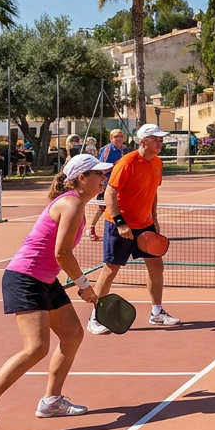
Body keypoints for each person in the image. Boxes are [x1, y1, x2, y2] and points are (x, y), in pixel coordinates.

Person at [0, 154, 112, 430]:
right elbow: (62, 253)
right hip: (24, 278)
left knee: (72, 334)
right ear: (82, 178)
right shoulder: (72, 203)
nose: (103, 178)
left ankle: (51, 401)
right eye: (98, 174)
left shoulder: (75, 203)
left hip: (43, 279)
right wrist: (84, 286)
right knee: (37, 348)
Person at [86, 123, 180, 334]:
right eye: (156, 139)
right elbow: (110, 193)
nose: (160, 142)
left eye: (161, 138)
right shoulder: (126, 162)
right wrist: (120, 223)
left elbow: (153, 192)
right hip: (119, 224)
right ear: (143, 141)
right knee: (111, 270)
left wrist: (154, 219)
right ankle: (95, 317)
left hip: (144, 225)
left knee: (156, 265)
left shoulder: (157, 163)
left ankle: (157, 312)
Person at [88, 129, 128, 241]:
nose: (119, 138)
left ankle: (121, 228)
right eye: (116, 137)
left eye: (121, 136)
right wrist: (115, 166)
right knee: (102, 207)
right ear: (111, 138)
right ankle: (91, 228)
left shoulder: (124, 150)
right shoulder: (107, 150)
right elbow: (101, 168)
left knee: (121, 206)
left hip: (121, 183)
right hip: (107, 184)